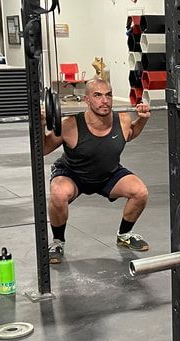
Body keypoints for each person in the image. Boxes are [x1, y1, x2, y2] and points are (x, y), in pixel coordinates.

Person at [42, 78, 152, 264]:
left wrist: (142, 120)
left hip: (108, 173)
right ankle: (58, 241)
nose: (105, 101)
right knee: (58, 194)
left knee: (140, 193)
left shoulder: (123, 119)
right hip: (73, 175)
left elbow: (131, 134)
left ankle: (124, 235)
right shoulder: (70, 125)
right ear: (87, 100)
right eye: (98, 95)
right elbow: (43, 149)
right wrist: (40, 124)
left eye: (108, 95)